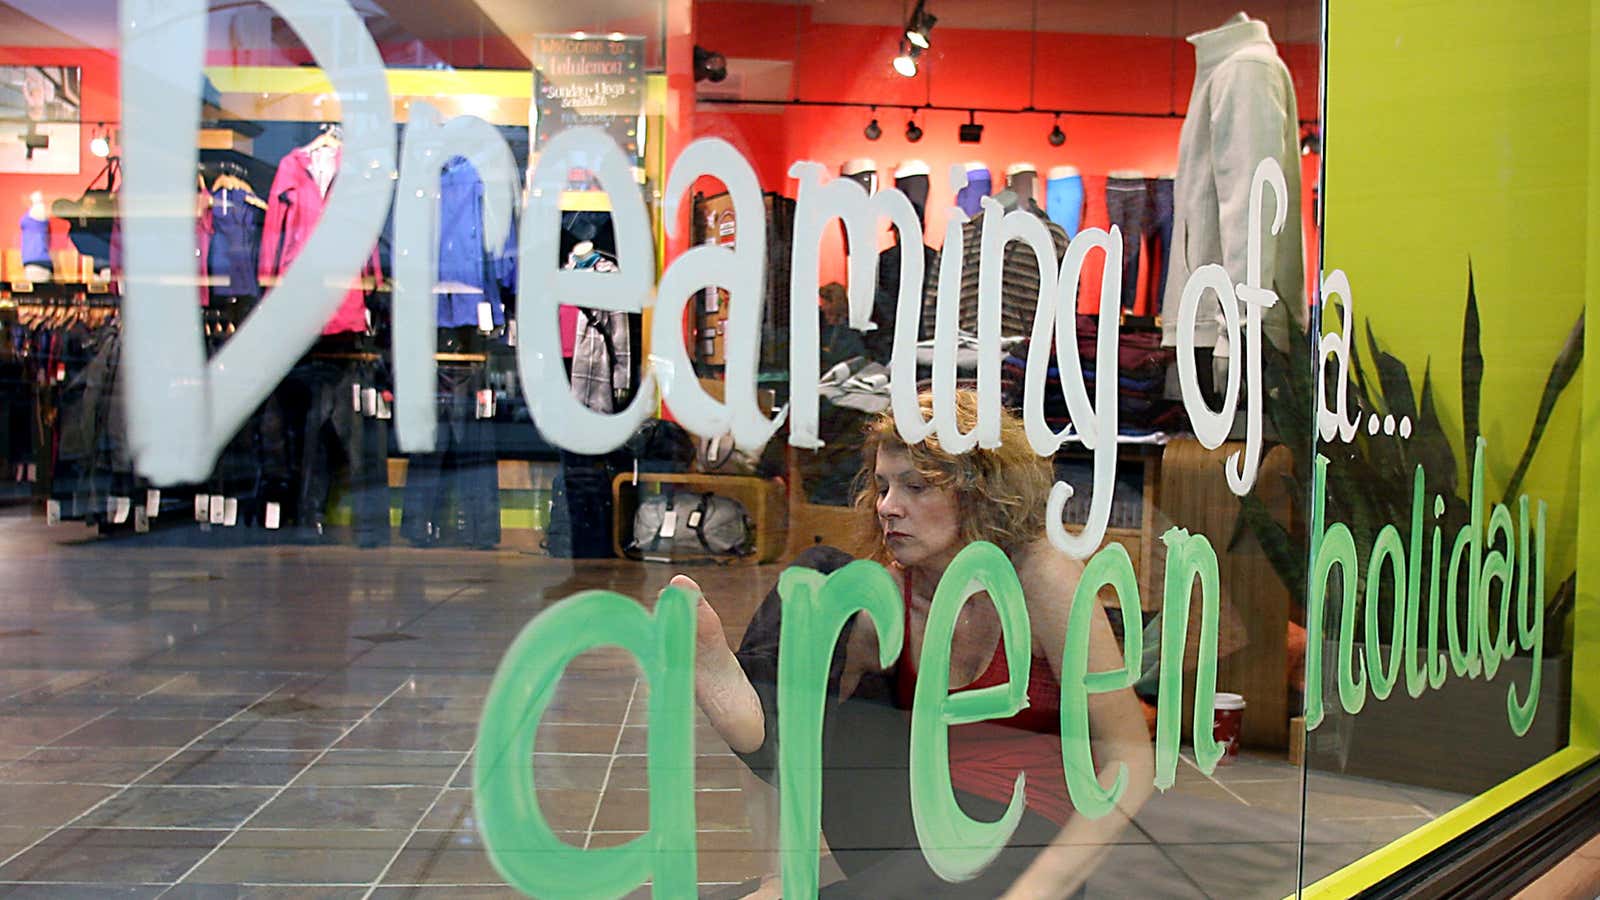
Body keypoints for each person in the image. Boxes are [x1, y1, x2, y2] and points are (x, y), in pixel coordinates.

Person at [682, 390, 1153, 898]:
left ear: (981, 493)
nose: (887, 507)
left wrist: (1040, 889)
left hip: (1025, 834)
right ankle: (746, 706)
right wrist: (778, 878)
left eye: (915, 486)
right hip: (914, 821)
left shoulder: (1043, 579)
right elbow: (786, 745)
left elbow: (1131, 760)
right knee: (817, 582)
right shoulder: (887, 595)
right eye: (883, 487)